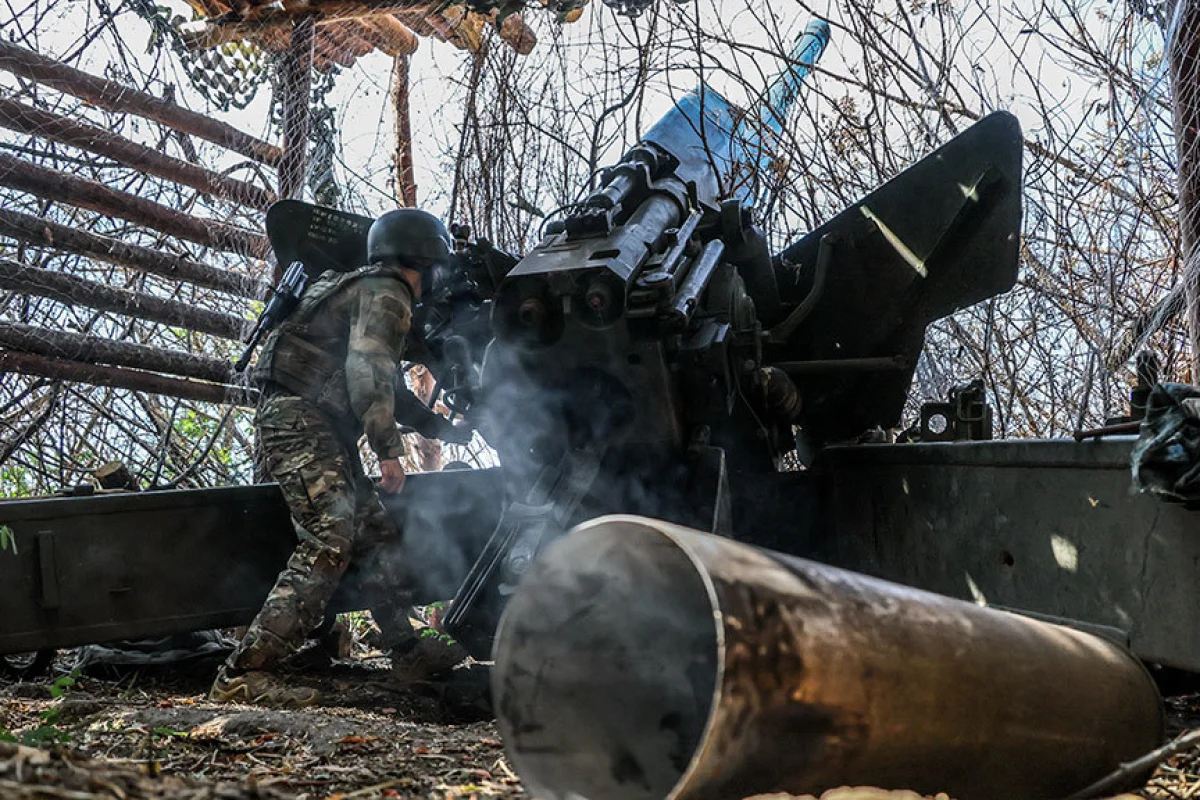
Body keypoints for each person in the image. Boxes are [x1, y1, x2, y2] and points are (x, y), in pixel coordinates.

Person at [210, 209, 465, 707]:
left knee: (374, 535)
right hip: (302, 419)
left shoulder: (364, 286)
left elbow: (386, 385)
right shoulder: (388, 292)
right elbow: (367, 373)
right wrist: (390, 452)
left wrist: (442, 428)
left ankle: (407, 649)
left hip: (316, 421)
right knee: (330, 537)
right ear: (427, 260)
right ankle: (243, 672)